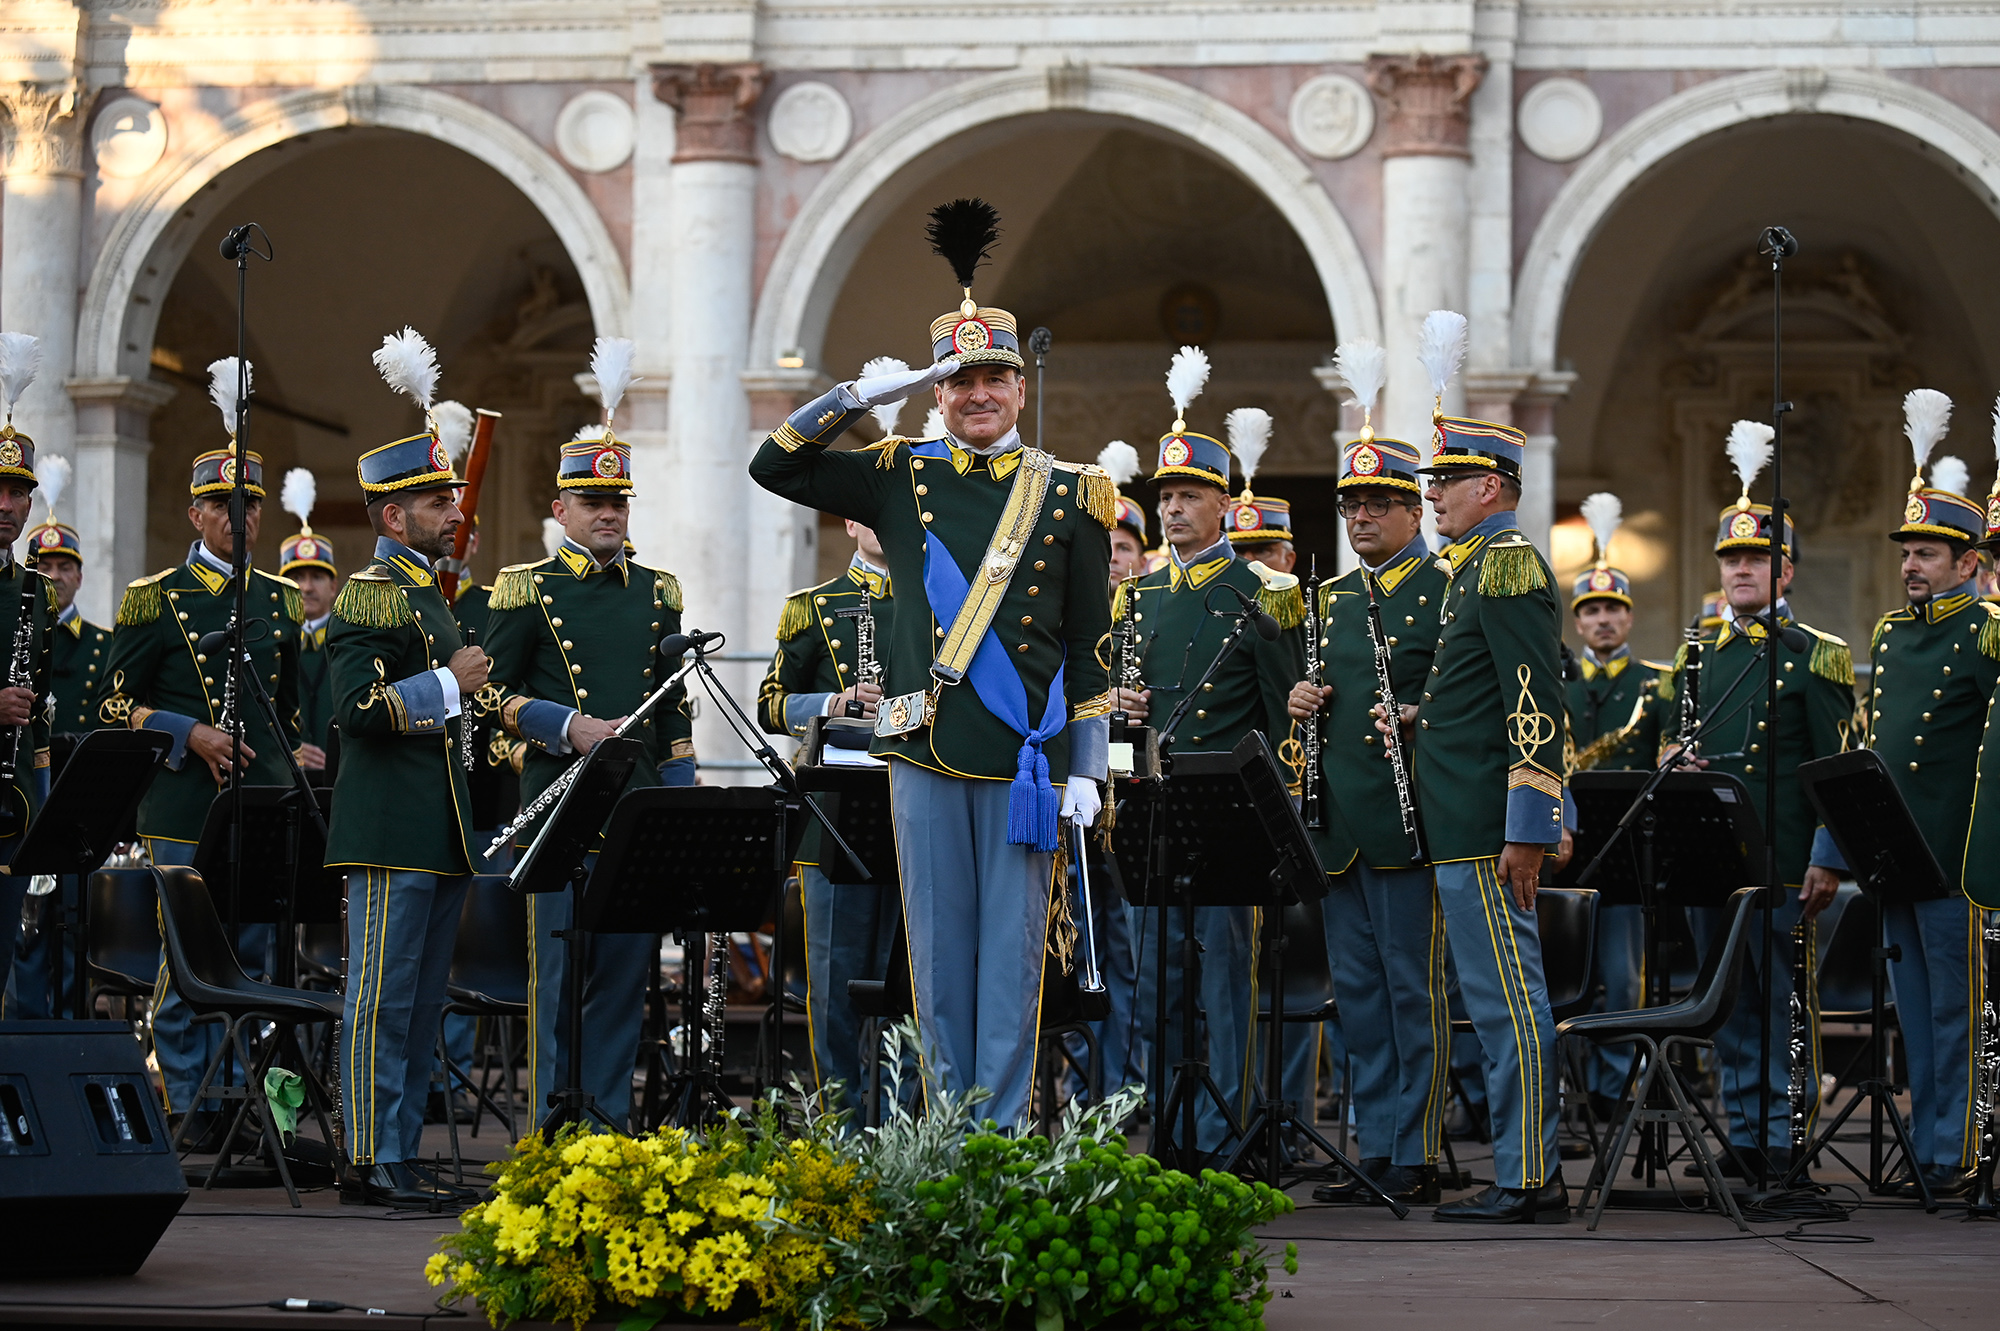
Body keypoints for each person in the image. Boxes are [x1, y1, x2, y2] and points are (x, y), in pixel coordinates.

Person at [748, 197, 1114, 1126]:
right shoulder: (895, 469)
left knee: (1014, 951)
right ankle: (950, 1129)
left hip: (1026, 759)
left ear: (1019, 389)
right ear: (940, 394)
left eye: (993, 376)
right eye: (959, 382)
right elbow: (773, 466)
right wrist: (860, 398)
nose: (978, 393)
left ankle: (999, 1128)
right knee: (940, 952)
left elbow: (1086, 644)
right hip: (923, 748)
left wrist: (1089, 764)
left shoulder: (1071, 495)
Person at [487, 393, 697, 1131]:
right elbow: (491, 699)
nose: (608, 512)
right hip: (559, 816)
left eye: (617, 500)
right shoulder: (525, 589)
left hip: (637, 818)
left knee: (619, 988)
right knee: (558, 985)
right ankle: (551, 1132)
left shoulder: (657, 592)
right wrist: (564, 724)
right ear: (560, 508)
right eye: (591, 500)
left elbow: (673, 711)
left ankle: (602, 1129)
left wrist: (680, 802)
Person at [1399, 321, 1569, 1223]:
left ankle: (1529, 1174)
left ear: (1491, 485)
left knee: (1509, 1005)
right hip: (1460, 822)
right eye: (1430, 483)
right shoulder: (1470, 569)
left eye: (1445, 482)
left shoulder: (1503, 566)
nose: (1432, 498)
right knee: (1495, 1004)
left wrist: (1528, 832)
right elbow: (1479, 694)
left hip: (1487, 829)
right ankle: (1522, 1166)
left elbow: (1537, 706)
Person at [1115, 376, 1307, 1162]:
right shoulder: (1139, 594)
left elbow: (1285, 719)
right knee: (1156, 980)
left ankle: (1225, 1133)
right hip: (1154, 807)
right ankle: (1169, 1130)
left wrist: (1281, 817)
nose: (1173, 510)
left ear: (1224, 504)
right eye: (1166, 496)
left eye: (1190, 495)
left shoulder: (1264, 591)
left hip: (1230, 814)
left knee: (1228, 985)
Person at [98, 412, 300, 1140]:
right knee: (186, 954)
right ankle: (191, 1100)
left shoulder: (278, 597)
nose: (238, 517)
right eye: (222, 505)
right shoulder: (155, 596)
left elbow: (294, 706)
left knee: (249, 954)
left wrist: (291, 760)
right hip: (182, 803)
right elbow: (113, 702)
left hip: (259, 803)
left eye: (248, 504)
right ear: (195, 512)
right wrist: (189, 732)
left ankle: (238, 1098)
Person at [1809, 399, 1993, 1198]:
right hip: (1896, 854)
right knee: (1914, 1016)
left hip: (1956, 854)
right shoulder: (1887, 633)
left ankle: (1955, 1150)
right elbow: (1863, 744)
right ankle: (1930, 1143)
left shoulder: (1985, 632)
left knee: (1956, 1014)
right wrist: (1832, 851)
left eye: (1928, 552)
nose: (1911, 564)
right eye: (1908, 551)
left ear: (1967, 562)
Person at [323, 329, 487, 1205]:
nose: (453, 508)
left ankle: (399, 1147)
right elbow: (356, 711)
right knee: (379, 1001)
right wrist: (445, 683)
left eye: (450, 494)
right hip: (390, 827)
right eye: (434, 500)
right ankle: (364, 1156)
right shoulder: (369, 593)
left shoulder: (429, 591)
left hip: (442, 827)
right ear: (393, 516)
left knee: (422, 1008)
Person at [1666, 419, 1851, 1180]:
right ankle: (1746, 1130)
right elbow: (1673, 748)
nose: (1741, 569)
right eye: (1732, 556)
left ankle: (1784, 1138)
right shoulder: (1698, 652)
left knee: (1782, 1002)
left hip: (1783, 853)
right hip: (1715, 859)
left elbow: (1836, 763)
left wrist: (1827, 858)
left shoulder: (1818, 655)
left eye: (1757, 557)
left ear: (1786, 572)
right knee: (1728, 1003)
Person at [1288, 426, 1448, 1205]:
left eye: (1379, 505)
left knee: (1411, 990)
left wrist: (1423, 712)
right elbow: (1317, 703)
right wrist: (1301, 702)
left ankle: (1416, 1149)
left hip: (1406, 818)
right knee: (1356, 992)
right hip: (1339, 821)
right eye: (1352, 506)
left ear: (1414, 511)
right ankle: (1376, 1142)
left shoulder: (1445, 587)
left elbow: (1461, 699)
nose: (1360, 520)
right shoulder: (1332, 598)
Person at [757, 516, 896, 1114]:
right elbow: (770, 703)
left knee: (906, 989)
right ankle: (837, 1130)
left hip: (912, 808)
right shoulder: (813, 607)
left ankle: (905, 1134)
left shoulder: (940, 605)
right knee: (834, 987)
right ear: (849, 522)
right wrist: (833, 703)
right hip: (833, 813)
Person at [1563, 492, 1667, 1114]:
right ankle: (1567, 1087)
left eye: (1613, 609)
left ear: (1628, 618)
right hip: (1565, 848)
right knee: (1564, 976)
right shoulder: (1558, 682)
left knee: (1624, 978)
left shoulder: (1656, 684)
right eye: (1591, 610)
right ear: (1577, 622)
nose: (1602, 620)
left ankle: (1613, 1088)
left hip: (1627, 849)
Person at [6, 462, 103, 1019]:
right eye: (45, 564)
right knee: (24, 941)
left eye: (65, 565)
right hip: (24, 792)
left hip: (75, 803)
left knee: (72, 935)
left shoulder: (101, 642)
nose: (56, 575)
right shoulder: (23, 614)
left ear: (80, 575)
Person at [0, 345, 59, 1017]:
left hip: (10, 806)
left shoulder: (34, 593)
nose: (9, 504)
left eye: (19, 492)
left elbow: (38, 708)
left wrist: (37, 804)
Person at [278, 467, 338, 777]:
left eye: (317, 576)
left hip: (340, 782)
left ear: (334, 587)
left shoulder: (347, 640)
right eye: (297, 578)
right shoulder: (272, 642)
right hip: (286, 780)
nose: (306, 587)